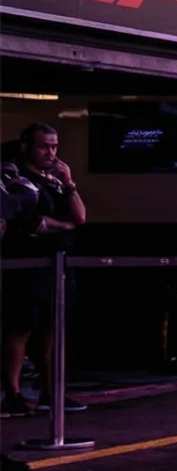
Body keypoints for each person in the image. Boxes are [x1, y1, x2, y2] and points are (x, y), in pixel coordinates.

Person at [2, 125, 88, 414]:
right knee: (20, 327)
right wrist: (61, 225)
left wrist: (70, 183)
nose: (51, 153)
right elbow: (31, 221)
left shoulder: (55, 181)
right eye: (44, 147)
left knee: (53, 327)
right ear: (28, 147)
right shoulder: (16, 178)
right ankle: (12, 393)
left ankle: (52, 392)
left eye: (54, 147)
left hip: (59, 262)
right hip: (27, 263)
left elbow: (80, 217)